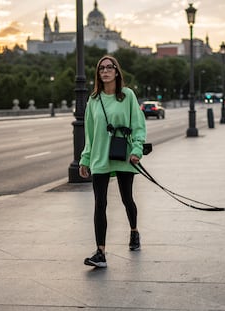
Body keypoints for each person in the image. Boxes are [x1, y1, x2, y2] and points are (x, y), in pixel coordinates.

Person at [79, 55, 147, 268]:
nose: (106, 71)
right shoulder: (93, 99)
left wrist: (136, 150)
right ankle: (100, 252)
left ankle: (134, 231)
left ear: (117, 72)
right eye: (102, 68)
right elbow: (89, 133)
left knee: (127, 198)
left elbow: (138, 125)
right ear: (98, 74)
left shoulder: (127, 96)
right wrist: (85, 159)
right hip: (100, 157)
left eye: (110, 67)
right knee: (100, 204)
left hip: (123, 155)